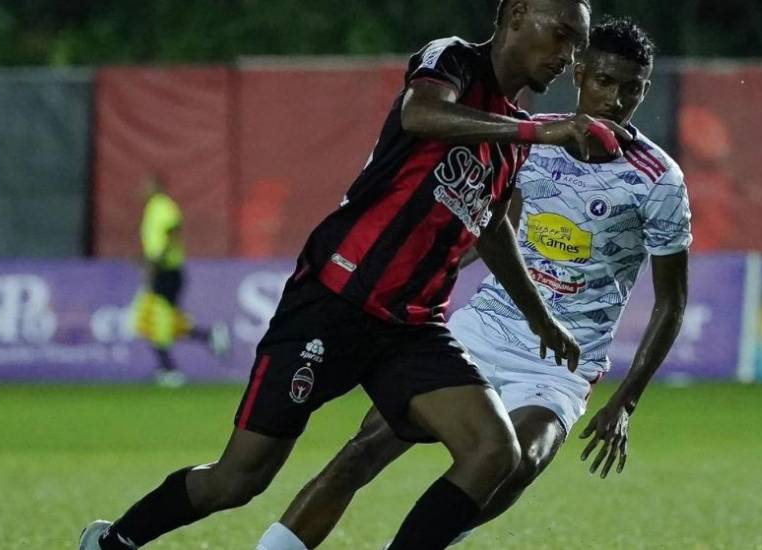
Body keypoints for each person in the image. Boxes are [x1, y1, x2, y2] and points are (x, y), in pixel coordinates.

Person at [80, 1, 629, 548]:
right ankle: (115, 541)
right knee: (239, 479)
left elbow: (491, 229)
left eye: (576, 45)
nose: (568, 56)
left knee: (494, 451)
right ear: (515, 15)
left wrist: (539, 318)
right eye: (560, 35)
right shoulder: (456, 61)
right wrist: (536, 134)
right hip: (335, 298)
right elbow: (420, 114)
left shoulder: (512, 139)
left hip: (411, 327)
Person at [254, 16, 691, 550]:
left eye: (631, 88)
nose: (615, 98)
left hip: (563, 364)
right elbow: (485, 230)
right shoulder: (531, 135)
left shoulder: (659, 180)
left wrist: (626, 401)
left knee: (519, 462)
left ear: (646, 90)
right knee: (367, 445)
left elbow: (671, 301)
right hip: (483, 329)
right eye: (603, 80)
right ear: (579, 72)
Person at [132, 174, 230, 387]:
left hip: (167, 270)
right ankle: (207, 337)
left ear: (156, 185)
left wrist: (159, 256)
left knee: (156, 319)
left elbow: (173, 228)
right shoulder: (151, 209)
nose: (143, 188)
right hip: (161, 270)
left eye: (146, 184)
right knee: (158, 319)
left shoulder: (163, 206)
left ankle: (169, 370)